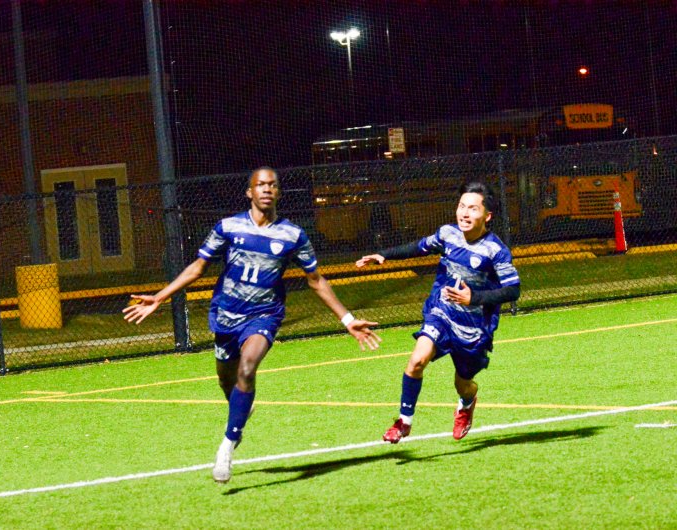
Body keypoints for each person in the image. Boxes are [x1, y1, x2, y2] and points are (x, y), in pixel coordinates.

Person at [124, 167, 381, 483]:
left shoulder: (293, 236)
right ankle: (239, 412)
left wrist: (348, 319)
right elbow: (197, 268)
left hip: (264, 315)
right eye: (260, 184)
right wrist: (160, 297)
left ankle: (227, 446)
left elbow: (316, 281)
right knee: (227, 380)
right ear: (249, 192)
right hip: (226, 315)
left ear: (278, 193)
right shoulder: (228, 228)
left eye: (272, 184)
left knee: (248, 368)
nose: (266, 189)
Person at [356, 182, 520, 443]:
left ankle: (467, 402)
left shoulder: (496, 250)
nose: (465, 213)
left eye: (473, 209)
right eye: (461, 206)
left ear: (487, 216)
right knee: (416, 361)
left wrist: (473, 298)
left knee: (463, 382)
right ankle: (403, 422)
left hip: (474, 324)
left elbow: (513, 290)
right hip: (441, 311)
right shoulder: (447, 234)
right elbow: (418, 247)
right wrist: (383, 255)